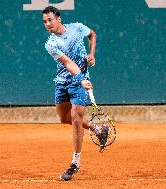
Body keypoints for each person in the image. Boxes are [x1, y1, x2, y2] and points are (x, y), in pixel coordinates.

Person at [42, 6, 109, 181]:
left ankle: (75, 163)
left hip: (79, 82)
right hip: (63, 82)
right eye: (45, 22)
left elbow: (92, 34)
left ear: (59, 18)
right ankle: (98, 129)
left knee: (76, 117)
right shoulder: (51, 44)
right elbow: (68, 63)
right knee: (65, 119)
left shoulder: (77, 27)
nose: (48, 24)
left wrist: (92, 54)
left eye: (50, 20)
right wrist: (80, 78)